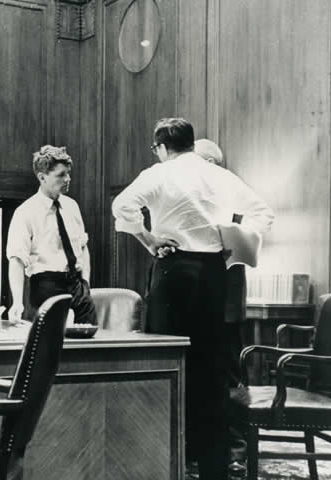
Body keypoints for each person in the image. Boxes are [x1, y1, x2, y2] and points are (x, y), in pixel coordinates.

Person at [112, 118, 273, 480]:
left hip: (174, 271)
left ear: (163, 148)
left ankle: (167, 460)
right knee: (212, 371)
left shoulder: (159, 173)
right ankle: (213, 466)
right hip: (215, 274)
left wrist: (150, 240)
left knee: (164, 362)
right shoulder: (220, 176)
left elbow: (122, 207)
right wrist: (235, 243)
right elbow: (263, 212)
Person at [194, 138, 260, 478]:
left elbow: (241, 246)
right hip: (199, 304)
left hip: (226, 304)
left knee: (230, 380)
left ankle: (236, 451)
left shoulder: (233, 196)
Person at [6, 145, 96, 325]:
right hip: (46, 286)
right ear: (42, 178)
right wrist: (17, 302)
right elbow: (17, 260)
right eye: (61, 175)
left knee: (90, 342)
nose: (67, 179)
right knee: (53, 345)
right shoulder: (25, 212)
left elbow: (83, 248)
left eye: (68, 174)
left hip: (77, 285)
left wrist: (85, 283)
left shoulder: (72, 206)